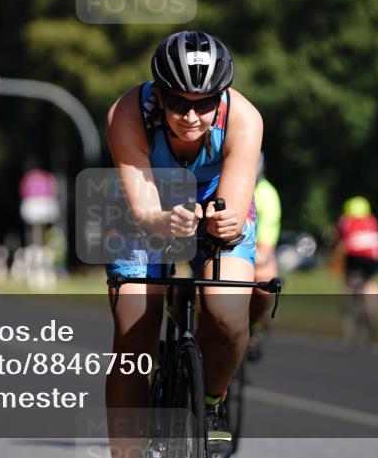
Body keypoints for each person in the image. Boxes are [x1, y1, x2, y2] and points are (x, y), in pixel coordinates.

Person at [106, 30, 262, 453]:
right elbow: (142, 210)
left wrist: (226, 224)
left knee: (229, 316)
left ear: (221, 97)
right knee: (135, 335)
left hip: (213, 202)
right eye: (177, 102)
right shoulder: (127, 113)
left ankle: (211, 400)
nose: (190, 117)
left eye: (204, 104)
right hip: (145, 206)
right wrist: (163, 219)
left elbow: (236, 201)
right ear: (159, 93)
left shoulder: (244, 119)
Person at [247, 153, 280, 361]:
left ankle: (255, 324)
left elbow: (266, 247)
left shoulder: (267, 195)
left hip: (257, 250)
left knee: (263, 282)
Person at [333, 196, 378, 323]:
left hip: (354, 255)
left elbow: (342, 243)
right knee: (371, 282)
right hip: (373, 255)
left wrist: (335, 259)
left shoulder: (345, 220)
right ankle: (374, 314)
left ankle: (347, 305)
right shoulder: (372, 220)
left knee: (348, 281)